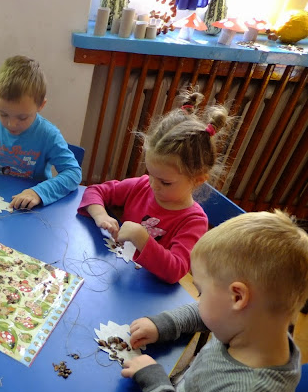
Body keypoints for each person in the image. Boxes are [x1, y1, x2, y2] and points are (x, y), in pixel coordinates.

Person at [112, 210, 308, 392]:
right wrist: (164, 324)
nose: (198, 299)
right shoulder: (258, 326)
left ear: (237, 297)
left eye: (201, 291)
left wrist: (156, 384)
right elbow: (209, 312)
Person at [78, 93, 230, 283]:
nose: (153, 185)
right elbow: (95, 191)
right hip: (114, 275)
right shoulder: (142, 186)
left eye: (165, 182)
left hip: (147, 293)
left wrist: (140, 237)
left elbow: (176, 270)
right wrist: (101, 215)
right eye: (150, 173)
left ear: (198, 180)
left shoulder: (194, 221)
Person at [0, 55, 82, 209]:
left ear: (41, 105)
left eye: (22, 117)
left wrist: (38, 193)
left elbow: (73, 173)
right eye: (3, 114)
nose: (11, 124)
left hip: (31, 207)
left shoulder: (48, 135)